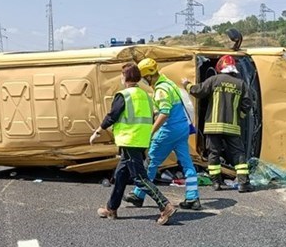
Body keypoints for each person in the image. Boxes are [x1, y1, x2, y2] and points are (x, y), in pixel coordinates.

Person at [92, 62, 176, 225]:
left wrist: (98, 131)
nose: (121, 78)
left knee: (139, 178)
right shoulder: (145, 95)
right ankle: (111, 208)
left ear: (126, 77)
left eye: (122, 75)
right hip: (140, 140)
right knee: (120, 175)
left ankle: (165, 206)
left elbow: (112, 116)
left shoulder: (123, 95)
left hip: (129, 140)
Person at [124, 57, 201, 210]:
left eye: (143, 79)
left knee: (151, 162)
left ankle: (138, 194)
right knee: (187, 163)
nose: (143, 82)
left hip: (168, 130)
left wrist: (151, 131)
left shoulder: (161, 89)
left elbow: (165, 112)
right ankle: (193, 198)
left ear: (147, 76)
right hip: (182, 129)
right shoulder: (169, 83)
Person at [181, 54, 253, 193]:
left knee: (213, 153)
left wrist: (186, 85)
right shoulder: (241, 84)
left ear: (220, 68)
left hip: (213, 126)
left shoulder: (213, 80)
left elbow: (198, 91)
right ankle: (244, 183)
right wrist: (240, 116)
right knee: (238, 153)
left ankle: (216, 183)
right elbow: (247, 104)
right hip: (232, 127)